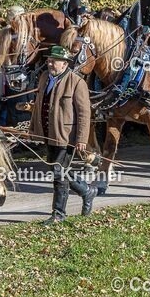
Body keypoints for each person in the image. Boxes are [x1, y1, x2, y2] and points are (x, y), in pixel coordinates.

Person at [29, 45, 96, 225]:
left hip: (66, 136)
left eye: (54, 61)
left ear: (65, 63)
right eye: (49, 60)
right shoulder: (44, 77)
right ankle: (86, 191)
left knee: (59, 173)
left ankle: (58, 213)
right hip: (48, 134)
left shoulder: (76, 82)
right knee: (58, 170)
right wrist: (33, 129)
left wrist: (81, 139)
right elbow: (39, 105)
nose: (50, 63)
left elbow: (84, 113)